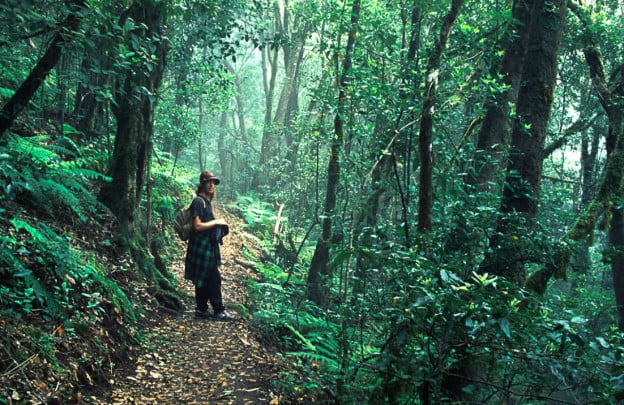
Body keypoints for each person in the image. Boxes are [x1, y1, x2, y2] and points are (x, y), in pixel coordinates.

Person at [184, 171, 233, 321]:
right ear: (202, 184)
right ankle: (218, 310)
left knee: (203, 277)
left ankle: (202, 308)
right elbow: (197, 226)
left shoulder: (207, 202)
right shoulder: (199, 201)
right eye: (208, 182)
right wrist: (217, 222)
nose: (211, 185)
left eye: (213, 182)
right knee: (213, 277)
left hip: (207, 245)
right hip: (201, 245)